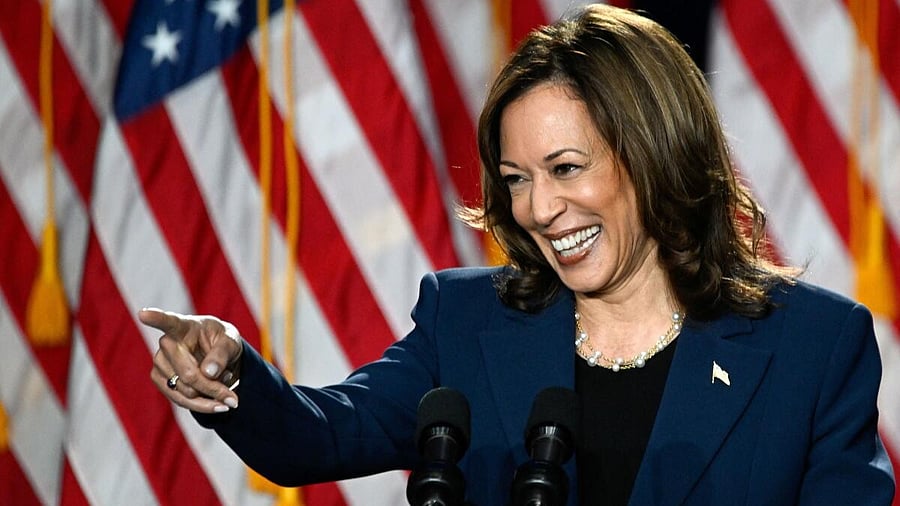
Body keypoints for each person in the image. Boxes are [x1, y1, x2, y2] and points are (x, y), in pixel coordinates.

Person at [140, 4, 895, 505]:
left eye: (567, 169)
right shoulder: (468, 321)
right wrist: (235, 372)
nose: (537, 209)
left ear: (656, 154)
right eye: (516, 180)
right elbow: (320, 435)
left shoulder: (812, 347)